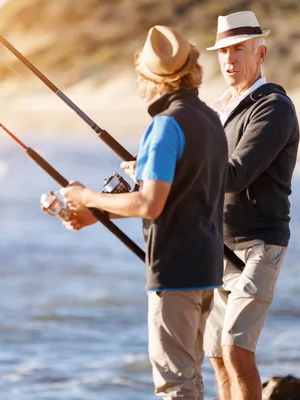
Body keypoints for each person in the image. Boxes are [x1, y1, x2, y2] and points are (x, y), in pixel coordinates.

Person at [55, 25, 229, 400]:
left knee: (175, 386)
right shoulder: (211, 120)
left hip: (175, 269)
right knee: (191, 380)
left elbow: (151, 203)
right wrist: (96, 214)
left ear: (148, 78)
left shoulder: (165, 126)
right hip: (206, 267)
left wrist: (88, 197)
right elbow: (184, 195)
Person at [202, 11, 300, 400]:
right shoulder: (218, 108)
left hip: (259, 246)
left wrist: (178, 174)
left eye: (239, 49)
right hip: (216, 248)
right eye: (223, 51)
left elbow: (236, 174)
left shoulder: (273, 107)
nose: (229, 59)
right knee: (217, 357)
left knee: (236, 350)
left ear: (261, 53)